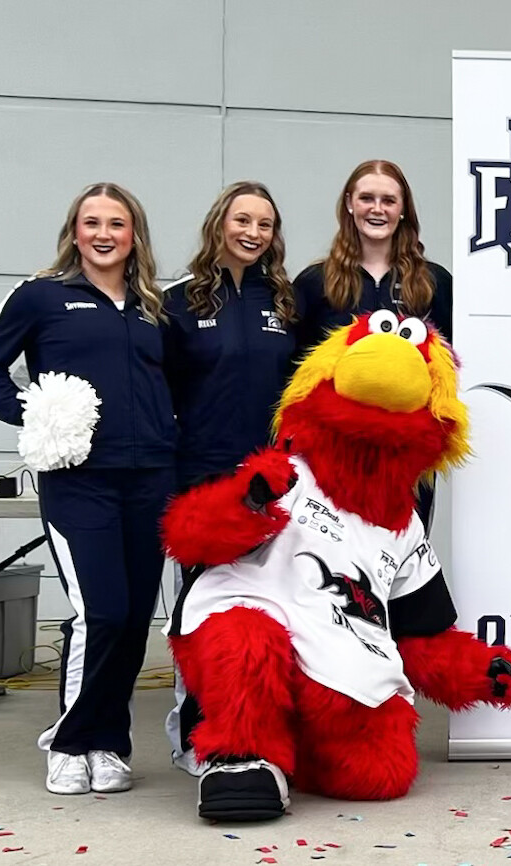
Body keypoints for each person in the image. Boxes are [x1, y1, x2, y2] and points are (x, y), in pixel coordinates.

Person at [0, 183, 176, 795]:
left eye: (118, 223)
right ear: (75, 231)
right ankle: (69, 739)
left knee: (138, 618)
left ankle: (109, 742)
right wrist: (32, 417)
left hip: (151, 479)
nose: (105, 233)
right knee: (100, 612)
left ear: (134, 234)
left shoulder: (152, 307)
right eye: (93, 222)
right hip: (79, 483)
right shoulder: (41, 295)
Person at [160, 181, 300, 774]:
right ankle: (196, 732)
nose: (252, 232)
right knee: (200, 613)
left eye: (264, 224)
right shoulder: (176, 302)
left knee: (274, 608)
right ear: (220, 222)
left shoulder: (287, 303)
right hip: (202, 484)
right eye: (242, 219)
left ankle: (262, 732)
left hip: (272, 485)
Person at [293, 160, 453, 527]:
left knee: (400, 563)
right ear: (349, 203)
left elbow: (450, 369)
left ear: (403, 210)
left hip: (406, 460)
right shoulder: (316, 282)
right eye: (367, 198)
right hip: (332, 457)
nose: (377, 209)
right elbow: (294, 372)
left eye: (388, 200)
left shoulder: (434, 283)